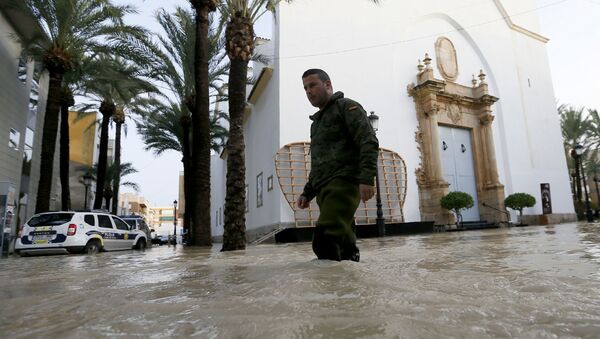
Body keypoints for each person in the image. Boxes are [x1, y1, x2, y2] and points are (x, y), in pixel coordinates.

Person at [296, 69, 379, 262]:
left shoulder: (347, 107)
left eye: (312, 85)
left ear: (327, 84)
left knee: (324, 240)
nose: (308, 91)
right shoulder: (315, 124)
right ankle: (350, 288)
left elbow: (368, 141)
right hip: (324, 190)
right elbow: (319, 162)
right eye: (305, 88)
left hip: (344, 183)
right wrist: (307, 192)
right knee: (345, 245)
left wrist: (367, 178)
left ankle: (326, 290)